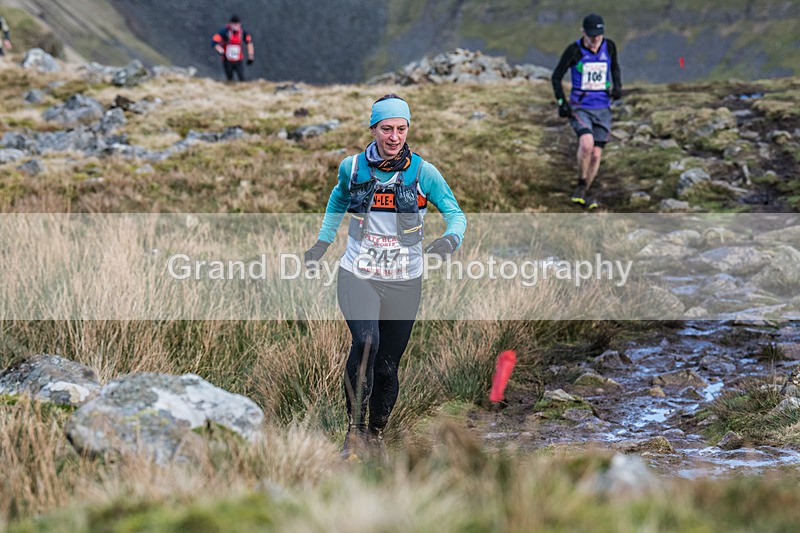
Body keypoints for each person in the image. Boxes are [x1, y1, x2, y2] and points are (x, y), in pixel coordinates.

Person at [304, 94, 467, 461]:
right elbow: (337, 201)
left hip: (405, 280)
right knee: (365, 343)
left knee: (388, 364)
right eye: (387, 128)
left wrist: (450, 238)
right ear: (374, 128)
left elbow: (456, 213)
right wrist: (321, 244)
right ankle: (354, 434)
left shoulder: (424, 173)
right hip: (357, 273)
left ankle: (376, 433)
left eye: (401, 128)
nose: (394, 136)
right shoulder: (353, 167)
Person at [551, 13, 622, 209]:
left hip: (603, 108)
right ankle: (582, 182)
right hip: (580, 107)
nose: (594, 41)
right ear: (583, 33)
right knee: (586, 144)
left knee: (597, 155)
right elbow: (556, 77)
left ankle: (585, 190)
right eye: (590, 37)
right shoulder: (574, 50)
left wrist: (617, 87)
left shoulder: (610, 46)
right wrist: (561, 103)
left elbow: (615, 68)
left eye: (597, 37)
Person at [211, 15, 254, 81]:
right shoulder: (224, 31)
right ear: (230, 24)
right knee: (230, 78)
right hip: (227, 59)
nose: (235, 26)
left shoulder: (242, 32)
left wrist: (250, 55)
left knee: (242, 77)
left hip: (238, 59)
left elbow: (249, 42)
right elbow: (214, 42)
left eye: (237, 24)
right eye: (234, 24)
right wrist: (220, 50)